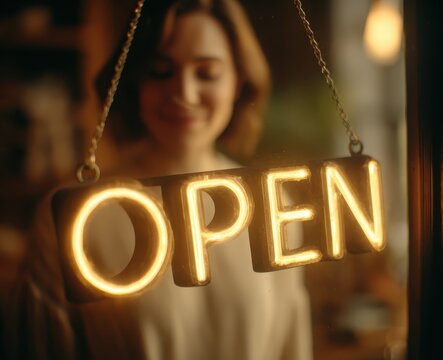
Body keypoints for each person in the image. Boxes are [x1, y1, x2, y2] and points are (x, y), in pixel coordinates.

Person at [4, 1, 313, 359]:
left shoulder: (280, 208)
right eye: (160, 71)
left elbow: (293, 346)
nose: (183, 92)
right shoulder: (75, 218)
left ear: (239, 82)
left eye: (207, 73)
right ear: (134, 81)